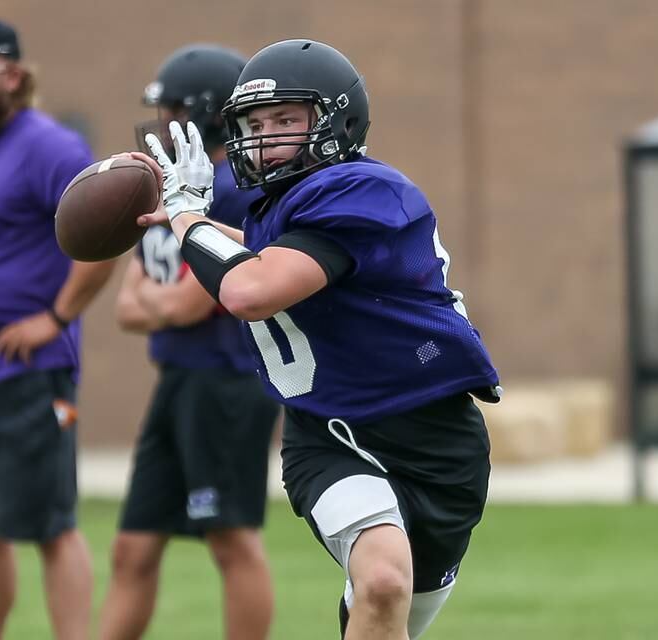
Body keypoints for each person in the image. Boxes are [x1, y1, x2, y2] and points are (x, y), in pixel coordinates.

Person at [134, 39, 502, 640]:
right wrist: (193, 218)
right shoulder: (280, 206)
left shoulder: (362, 189)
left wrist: (186, 216)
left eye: (286, 120)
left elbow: (250, 289)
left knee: (385, 611)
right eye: (255, 123)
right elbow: (264, 263)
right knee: (383, 581)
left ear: (335, 122)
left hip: (434, 441)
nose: (266, 135)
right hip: (329, 433)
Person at [0, 16, 115, 640]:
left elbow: (105, 235)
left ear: (11, 74)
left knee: (51, 526)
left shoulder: (51, 147)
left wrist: (56, 317)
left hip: (31, 376)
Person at [97, 45, 279, 640]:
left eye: (173, 107)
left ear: (204, 112)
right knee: (131, 548)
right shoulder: (166, 187)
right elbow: (129, 308)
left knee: (230, 540)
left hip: (226, 384)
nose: (162, 120)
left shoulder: (228, 191)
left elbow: (186, 301)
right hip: (177, 380)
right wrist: (162, 305)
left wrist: (161, 304)